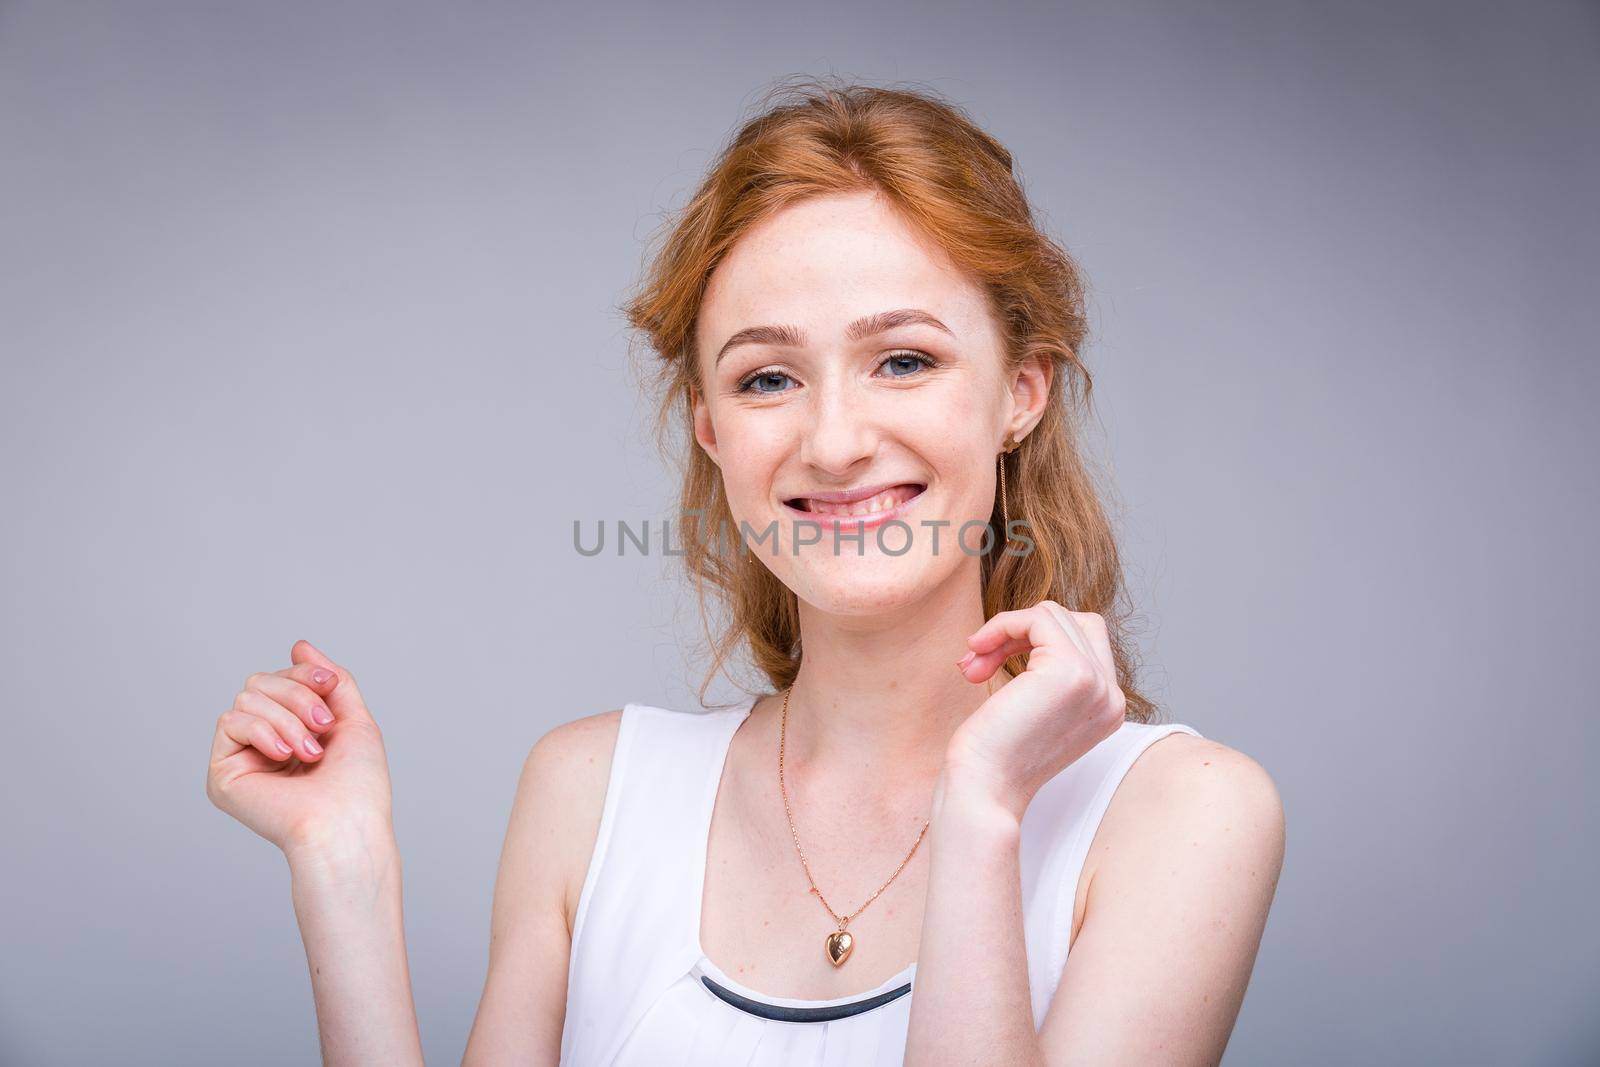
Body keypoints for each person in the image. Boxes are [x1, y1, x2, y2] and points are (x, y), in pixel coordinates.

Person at [204, 78, 1285, 1066]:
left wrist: (982, 807)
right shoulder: (588, 791)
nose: (832, 440)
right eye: (767, 376)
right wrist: (343, 868)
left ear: (1021, 392)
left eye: (903, 359)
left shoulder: (1182, 814)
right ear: (711, 430)